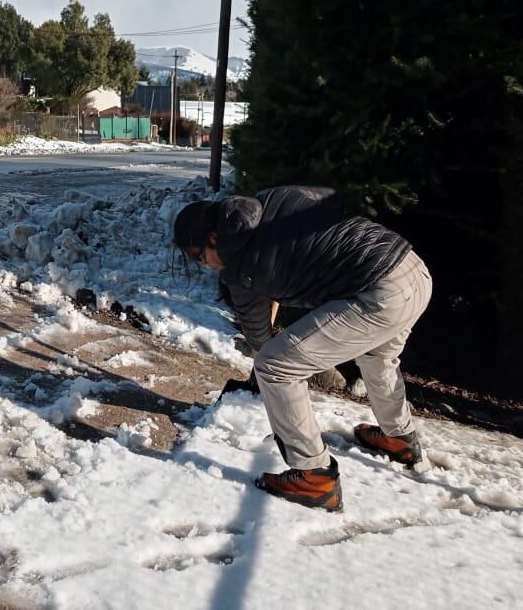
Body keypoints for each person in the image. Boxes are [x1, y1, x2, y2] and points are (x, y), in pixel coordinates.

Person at [173, 186, 433, 512]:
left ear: (213, 237)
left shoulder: (240, 270)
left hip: (378, 293)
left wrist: (263, 371)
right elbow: (330, 197)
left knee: (274, 366)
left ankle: (314, 476)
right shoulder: (270, 199)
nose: (204, 266)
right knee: (377, 356)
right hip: (411, 267)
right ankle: (400, 438)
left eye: (199, 257)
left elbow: (259, 337)